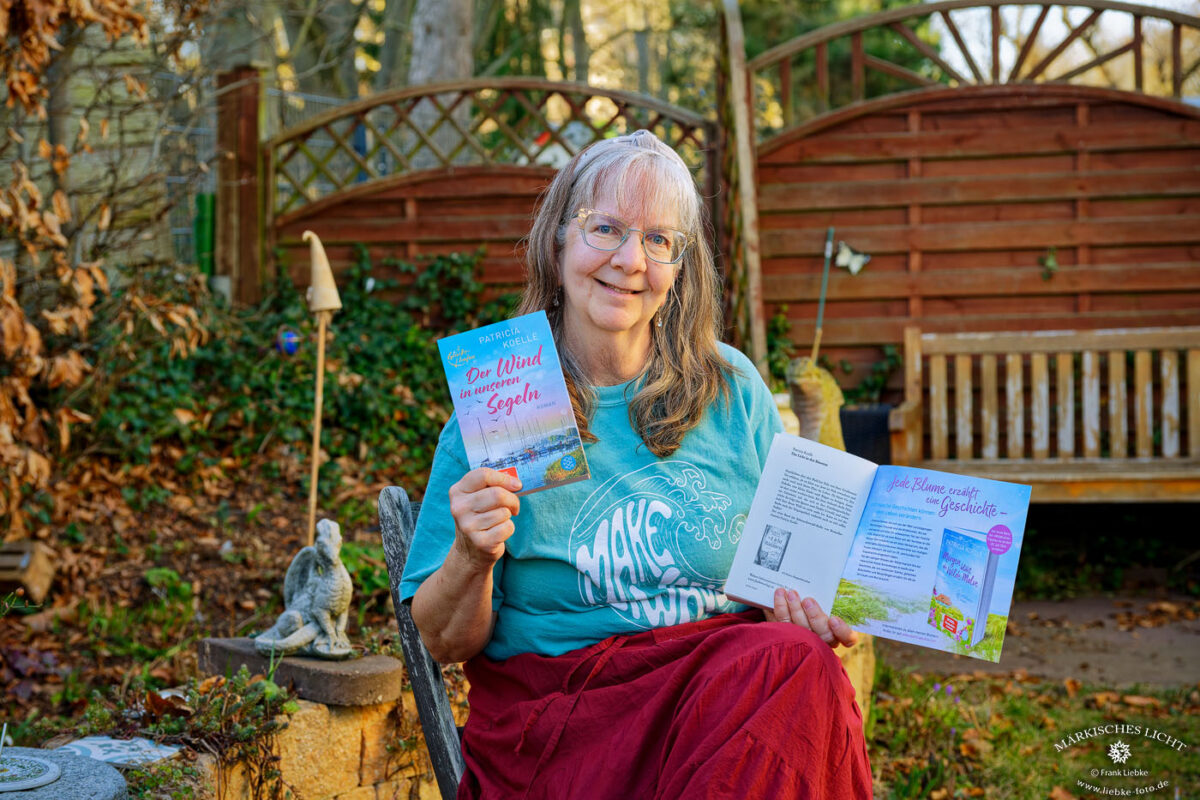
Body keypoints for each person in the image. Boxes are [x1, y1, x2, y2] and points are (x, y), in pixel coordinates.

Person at [400, 130, 872, 799]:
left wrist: (803, 608)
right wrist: (473, 558)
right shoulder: (507, 401)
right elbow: (444, 643)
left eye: (658, 240)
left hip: (721, 707)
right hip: (567, 724)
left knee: (797, 663)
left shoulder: (730, 387)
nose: (629, 260)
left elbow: (791, 571)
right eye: (606, 228)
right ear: (558, 240)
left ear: (681, 267)